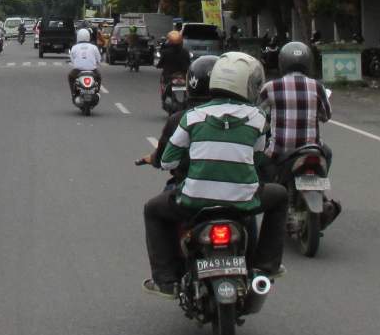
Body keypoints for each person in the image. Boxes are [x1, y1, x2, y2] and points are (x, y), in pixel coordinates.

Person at [139, 51, 289, 296]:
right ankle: (266, 265)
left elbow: (167, 161)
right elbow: (258, 156)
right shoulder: (258, 117)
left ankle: (166, 280)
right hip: (243, 200)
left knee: (153, 210)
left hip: (193, 201)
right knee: (280, 195)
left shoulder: (190, 117)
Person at [260, 40, 338, 227]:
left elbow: (257, 114)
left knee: (261, 165)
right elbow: (326, 116)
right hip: (311, 148)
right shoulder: (317, 86)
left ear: (282, 62)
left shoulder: (271, 87)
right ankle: (320, 189)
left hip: (280, 151)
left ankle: (268, 199)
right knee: (327, 153)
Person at [67, 27, 102, 100]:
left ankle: (73, 93)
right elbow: (99, 59)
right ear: (88, 36)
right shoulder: (94, 47)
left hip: (78, 70)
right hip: (92, 70)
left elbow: (72, 60)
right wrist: (97, 63)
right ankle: (97, 92)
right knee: (99, 77)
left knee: (70, 77)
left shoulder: (74, 47)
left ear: (78, 36)